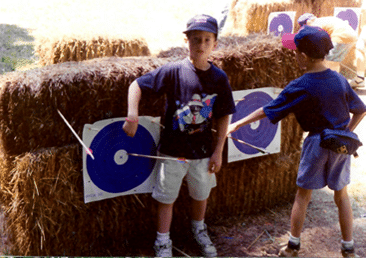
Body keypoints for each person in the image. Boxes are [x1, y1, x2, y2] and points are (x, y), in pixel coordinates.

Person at [227, 25, 366, 257]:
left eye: (295, 51)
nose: (293, 54)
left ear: (303, 56)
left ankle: (293, 246)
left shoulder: (300, 84)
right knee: (341, 195)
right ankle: (349, 248)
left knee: (303, 195)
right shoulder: (340, 80)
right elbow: (361, 110)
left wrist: (237, 124)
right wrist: (347, 133)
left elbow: (267, 110)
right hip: (341, 144)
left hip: (316, 144)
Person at [123, 14, 236, 257]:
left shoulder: (219, 78)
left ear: (215, 43)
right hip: (172, 153)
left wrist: (218, 151)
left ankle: (199, 229)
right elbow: (137, 85)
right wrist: (132, 115)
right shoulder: (173, 71)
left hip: (203, 154)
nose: (201, 45)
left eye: (207, 39)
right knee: (166, 198)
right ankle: (162, 241)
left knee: (201, 195)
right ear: (186, 41)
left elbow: (224, 115)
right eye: (196, 39)